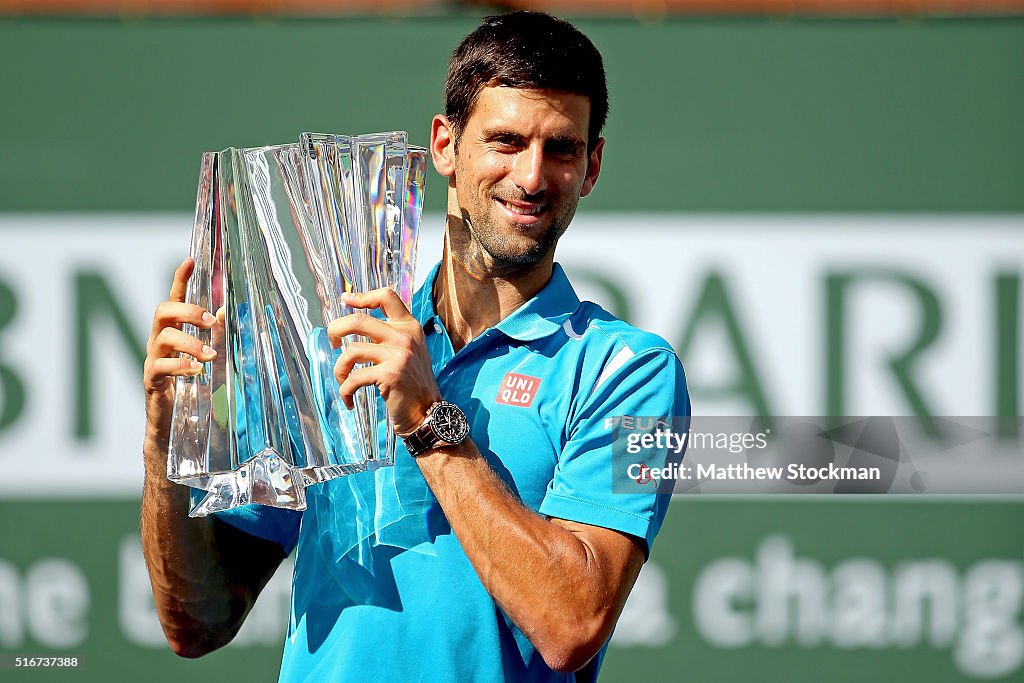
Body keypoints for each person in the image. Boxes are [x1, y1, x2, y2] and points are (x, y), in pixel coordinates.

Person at [141, 11, 689, 682]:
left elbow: (571, 623)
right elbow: (195, 621)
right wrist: (166, 439)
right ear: (445, 146)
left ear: (593, 165)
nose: (531, 176)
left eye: (562, 149)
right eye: (506, 141)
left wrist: (429, 420)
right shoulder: (333, 346)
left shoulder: (628, 371)